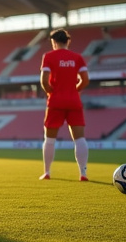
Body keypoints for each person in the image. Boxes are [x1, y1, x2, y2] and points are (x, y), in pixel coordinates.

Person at [38, 29, 90, 181]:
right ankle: (83, 173)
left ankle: (47, 172)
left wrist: (51, 92)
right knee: (80, 139)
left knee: (49, 139)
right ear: (68, 41)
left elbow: (44, 80)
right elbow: (85, 80)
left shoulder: (48, 56)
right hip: (74, 101)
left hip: (55, 101)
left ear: (54, 42)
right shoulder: (77, 57)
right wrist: (74, 90)